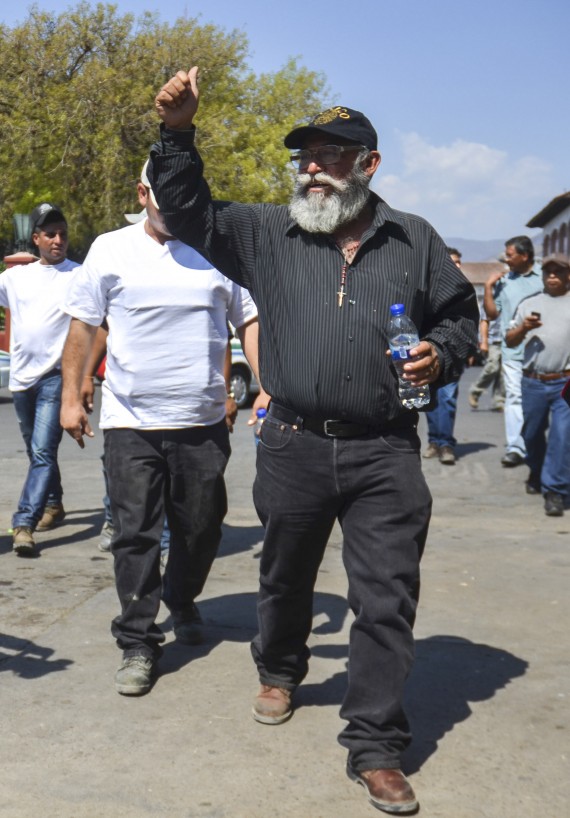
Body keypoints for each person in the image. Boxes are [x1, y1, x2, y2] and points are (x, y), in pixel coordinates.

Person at [149, 68, 479, 815]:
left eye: (331, 155)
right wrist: (177, 133)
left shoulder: (414, 239)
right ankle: (280, 667)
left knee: (386, 597)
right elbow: (185, 209)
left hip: (385, 450)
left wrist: (442, 353)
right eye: (305, 156)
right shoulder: (268, 232)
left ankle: (376, 745)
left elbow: (460, 316)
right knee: (285, 574)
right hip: (293, 443)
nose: (312, 169)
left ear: (369, 164)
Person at [60, 161, 261, 696]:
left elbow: (249, 320)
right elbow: (84, 324)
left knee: (202, 528)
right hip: (130, 421)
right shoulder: (110, 249)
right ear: (142, 193)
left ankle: (181, 596)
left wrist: (268, 387)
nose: (173, 206)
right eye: (162, 194)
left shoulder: (218, 249)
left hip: (201, 421)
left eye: (184, 195)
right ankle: (137, 640)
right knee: (135, 534)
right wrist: (71, 396)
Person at [0, 203, 79, 556]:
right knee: (38, 451)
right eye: (50, 234)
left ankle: (24, 524)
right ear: (36, 239)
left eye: (62, 234)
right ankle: (53, 503)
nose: (58, 240)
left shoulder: (79, 276)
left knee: (43, 451)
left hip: (56, 377)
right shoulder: (15, 278)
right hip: (21, 379)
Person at [505, 253, 570, 516]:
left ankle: (554, 490)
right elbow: (509, 340)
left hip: (564, 381)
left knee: (562, 436)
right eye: (548, 271)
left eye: (558, 271)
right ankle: (537, 469)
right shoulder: (529, 303)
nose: (552, 276)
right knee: (531, 434)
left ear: (568, 275)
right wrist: (523, 328)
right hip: (532, 380)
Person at [483, 236, 542, 467]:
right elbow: (492, 314)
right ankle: (515, 448)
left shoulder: (545, 276)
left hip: (542, 352)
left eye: (510, 255)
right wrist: (488, 287)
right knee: (514, 398)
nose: (506, 259)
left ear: (525, 256)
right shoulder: (505, 281)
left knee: (543, 402)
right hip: (513, 351)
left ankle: (539, 444)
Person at [422, 247, 463, 465]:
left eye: (458, 262)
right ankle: (434, 441)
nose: (456, 266)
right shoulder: (428, 287)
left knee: (447, 398)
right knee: (432, 398)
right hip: (429, 351)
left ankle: (446, 443)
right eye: (452, 262)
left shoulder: (464, 291)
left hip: (453, 352)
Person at [468, 310, 505, 411]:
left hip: (507, 340)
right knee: (492, 367)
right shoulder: (490, 301)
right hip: (492, 340)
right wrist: (484, 341)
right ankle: (475, 391)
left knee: (503, 372)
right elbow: (484, 321)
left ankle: (499, 400)